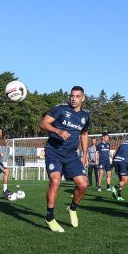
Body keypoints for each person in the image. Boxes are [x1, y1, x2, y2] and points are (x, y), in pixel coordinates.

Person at [39, 86, 90, 232]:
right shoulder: (60, 109)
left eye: (77, 96)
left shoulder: (85, 116)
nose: (74, 98)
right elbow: (43, 123)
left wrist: (85, 154)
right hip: (53, 151)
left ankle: (72, 208)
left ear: (83, 98)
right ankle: (50, 217)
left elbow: (85, 134)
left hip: (71, 154)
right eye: (72, 96)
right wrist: (57, 130)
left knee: (83, 185)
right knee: (55, 181)